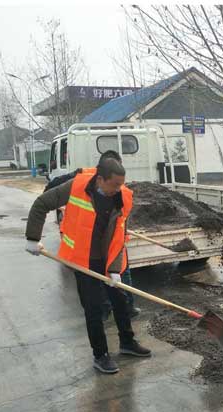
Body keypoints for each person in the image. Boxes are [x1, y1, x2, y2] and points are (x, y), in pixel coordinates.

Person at [25, 154, 151, 375]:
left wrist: (114, 269)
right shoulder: (76, 186)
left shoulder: (124, 197)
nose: (118, 188)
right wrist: (33, 239)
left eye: (121, 184)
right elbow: (41, 204)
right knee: (94, 308)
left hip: (107, 258)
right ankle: (100, 355)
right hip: (82, 260)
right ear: (100, 179)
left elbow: (119, 237)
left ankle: (127, 342)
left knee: (121, 302)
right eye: (114, 184)